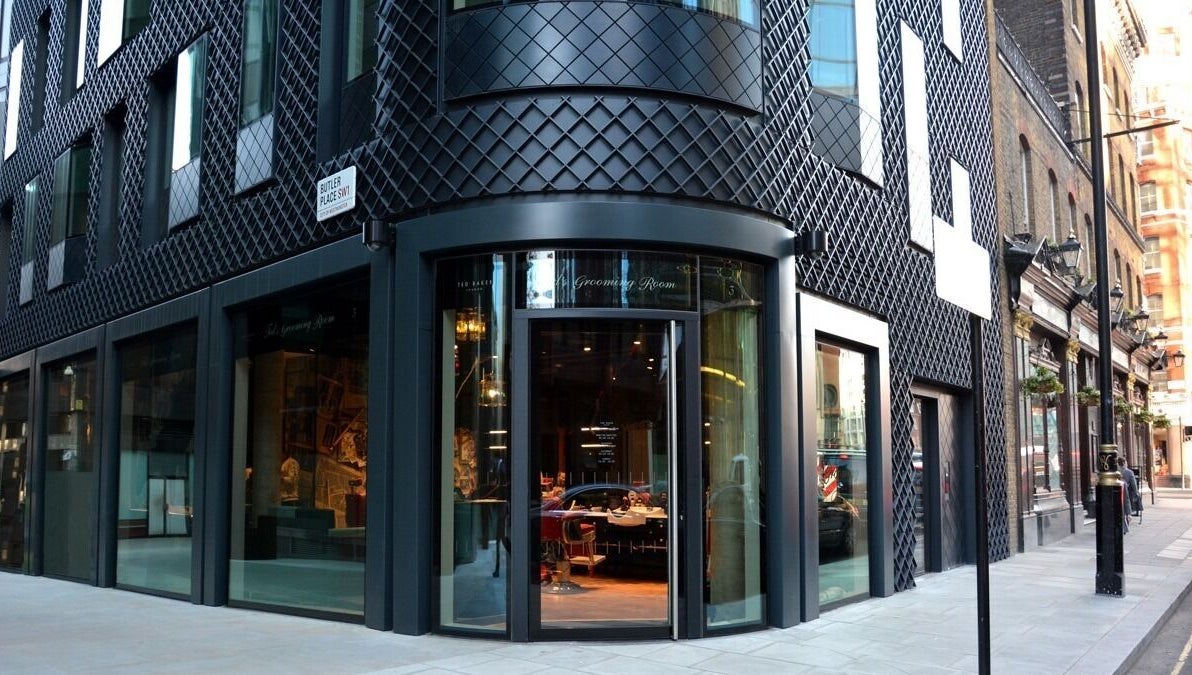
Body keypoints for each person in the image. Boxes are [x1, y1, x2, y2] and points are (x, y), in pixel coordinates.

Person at [1119, 457, 1139, 530]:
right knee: (1126, 506)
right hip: (1127, 491)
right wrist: (1136, 492)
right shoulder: (1129, 472)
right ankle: (1126, 522)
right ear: (1124, 463)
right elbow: (1134, 484)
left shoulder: (1117, 471)